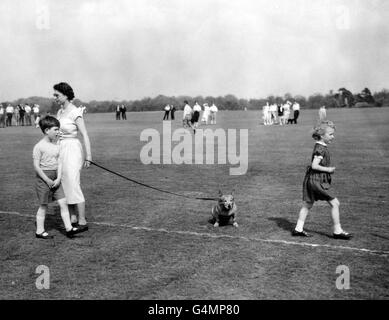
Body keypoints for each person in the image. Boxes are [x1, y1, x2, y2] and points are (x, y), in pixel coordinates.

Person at [292, 121, 352, 240]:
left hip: (312, 179)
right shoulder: (321, 149)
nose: (333, 136)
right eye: (330, 134)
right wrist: (328, 169)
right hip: (317, 180)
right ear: (322, 136)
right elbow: (314, 165)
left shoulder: (320, 146)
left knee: (307, 204)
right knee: (335, 203)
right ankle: (337, 231)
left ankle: (298, 229)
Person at [33, 116, 81, 239]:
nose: (58, 132)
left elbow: (59, 162)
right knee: (43, 205)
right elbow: (37, 167)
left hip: (56, 178)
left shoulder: (56, 145)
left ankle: (69, 229)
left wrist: (58, 178)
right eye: (55, 129)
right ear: (46, 130)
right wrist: (47, 180)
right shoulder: (38, 146)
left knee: (63, 202)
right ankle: (39, 231)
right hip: (44, 178)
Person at [54, 82, 92, 232]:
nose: (55, 97)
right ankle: (72, 217)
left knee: (73, 182)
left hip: (72, 149)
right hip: (61, 148)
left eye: (57, 95)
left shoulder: (75, 111)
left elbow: (85, 134)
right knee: (64, 183)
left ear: (65, 95)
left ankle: (82, 220)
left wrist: (88, 156)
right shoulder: (59, 112)